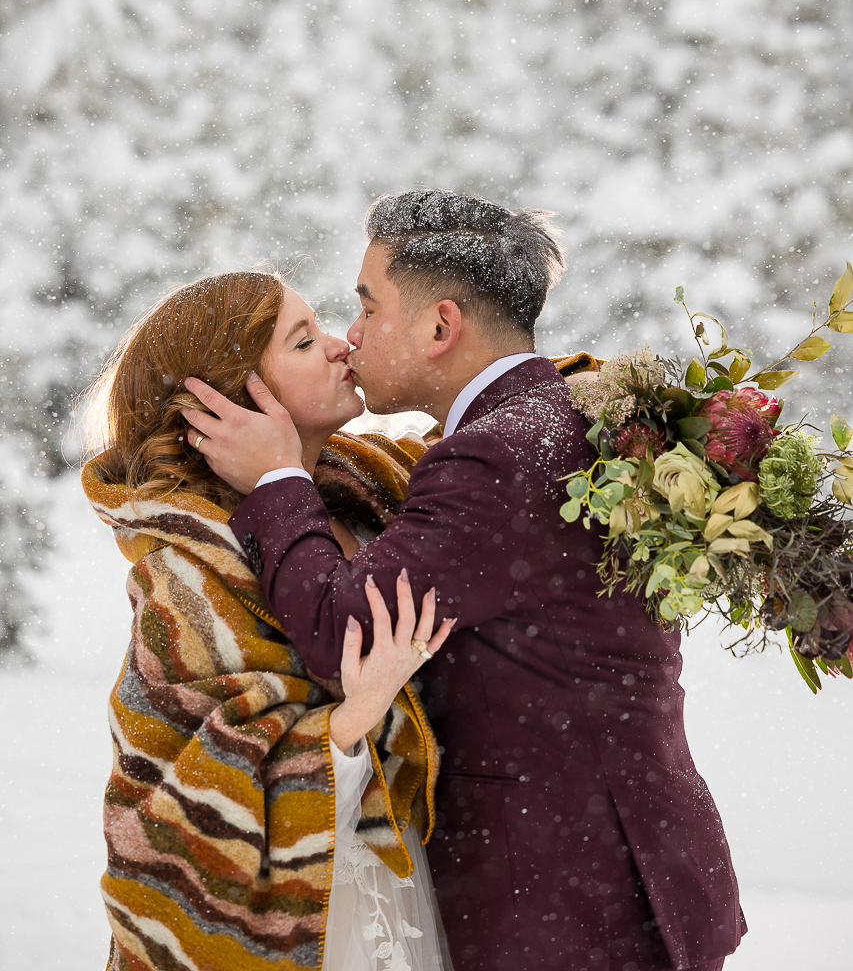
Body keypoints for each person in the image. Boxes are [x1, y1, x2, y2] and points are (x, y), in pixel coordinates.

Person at [183, 190, 746, 971]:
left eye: (367, 308)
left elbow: (344, 630)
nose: (352, 335)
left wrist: (278, 481)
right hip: (626, 871)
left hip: (568, 902)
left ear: (440, 325)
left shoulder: (498, 455)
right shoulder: (562, 416)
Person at [82, 270, 455, 971]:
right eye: (303, 340)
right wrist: (357, 713)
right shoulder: (188, 575)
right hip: (306, 921)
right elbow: (183, 811)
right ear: (230, 398)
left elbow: (487, 452)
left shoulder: (369, 490)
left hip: (405, 886)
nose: (343, 344)